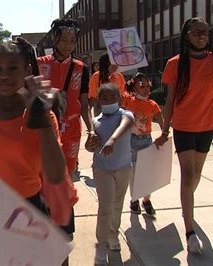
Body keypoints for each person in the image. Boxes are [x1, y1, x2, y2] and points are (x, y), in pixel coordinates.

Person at [0, 38, 76, 264]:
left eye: (13, 68)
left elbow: (55, 175)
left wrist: (41, 116)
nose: (4, 75)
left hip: (36, 211)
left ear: (27, 70)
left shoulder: (43, 116)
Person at [156, 17, 213, 254]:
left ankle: (186, 205)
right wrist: (164, 129)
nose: (202, 36)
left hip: (206, 126)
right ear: (186, 35)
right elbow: (169, 100)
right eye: (197, 32)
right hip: (183, 126)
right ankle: (189, 229)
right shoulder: (174, 64)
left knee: (197, 175)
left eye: (205, 32)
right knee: (188, 174)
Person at [36, 19, 91, 256]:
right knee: (42, 177)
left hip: (71, 132)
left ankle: (64, 225)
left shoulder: (81, 68)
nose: (68, 44)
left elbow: (85, 102)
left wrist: (92, 128)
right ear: (55, 39)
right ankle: (44, 224)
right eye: (64, 39)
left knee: (66, 177)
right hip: (44, 130)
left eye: (72, 40)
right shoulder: (38, 64)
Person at [85, 83, 134, 265]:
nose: (108, 100)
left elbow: (126, 125)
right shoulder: (96, 121)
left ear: (118, 98)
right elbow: (90, 147)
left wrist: (112, 140)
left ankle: (113, 234)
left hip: (123, 167)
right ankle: (101, 246)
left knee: (118, 204)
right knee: (105, 208)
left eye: (112, 97)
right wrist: (91, 143)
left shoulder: (125, 114)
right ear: (99, 100)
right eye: (104, 98)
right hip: (102, 169)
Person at [121, 73, 164, 217]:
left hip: (146, 140)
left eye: (147, 86)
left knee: (146, 172)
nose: (145, 89)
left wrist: (164, 133)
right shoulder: (128, 100)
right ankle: (134, 200)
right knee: (133, 173)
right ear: (134, 88)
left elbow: (160, 118)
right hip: (131, 140)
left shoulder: (152, 104)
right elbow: (119, 89)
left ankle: (146, 200)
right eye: (141, 86)